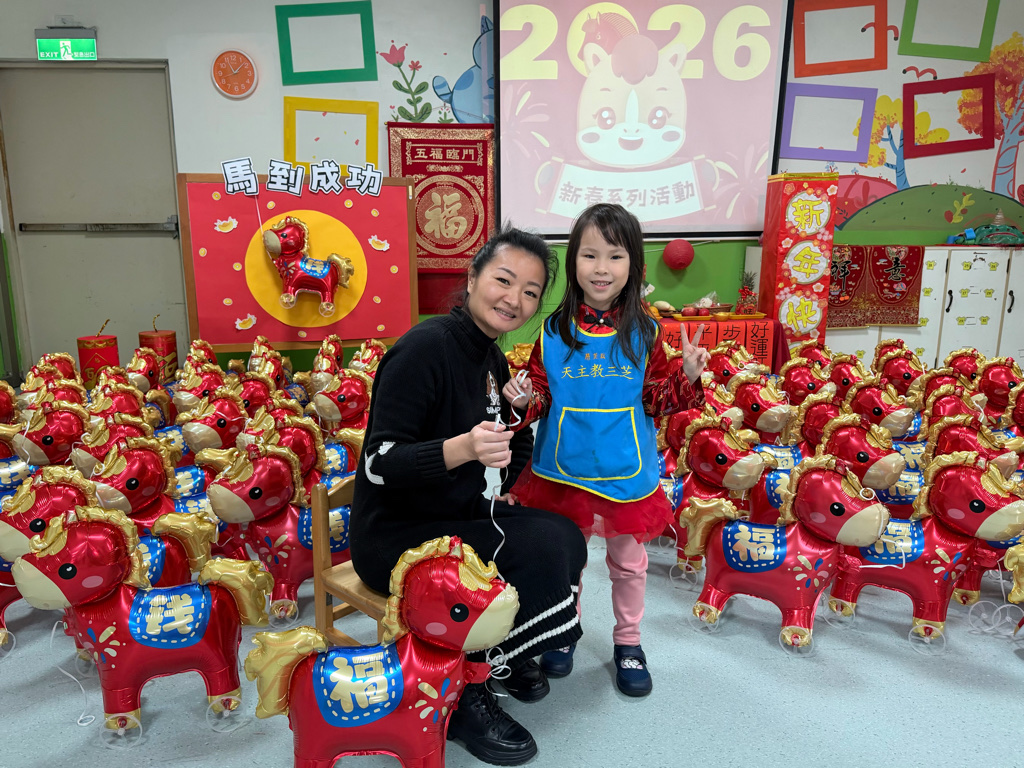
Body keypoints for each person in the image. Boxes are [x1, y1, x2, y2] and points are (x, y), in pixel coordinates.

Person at [350, 225, 588, 766]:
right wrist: (461, 448)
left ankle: (500, 653)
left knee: (562, 535)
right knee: (538, 550)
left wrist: (516, 421)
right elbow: (380, 463)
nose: (514, 299)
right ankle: (462, 696)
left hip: (452, 513)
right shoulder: (423, 348)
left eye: (530, 291)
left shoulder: (491, 360)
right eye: (504, 280)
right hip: (395, 534)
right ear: (473, 277)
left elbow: (502, 456)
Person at [503, 203, 708, 697]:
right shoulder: (553, 329)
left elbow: (655, 400)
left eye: (614, 256)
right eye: (589, 255)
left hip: (624, 469)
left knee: (630, 564)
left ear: (633, 265)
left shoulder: (647, 331)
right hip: (563, 470)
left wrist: (687, 377)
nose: (601, 268)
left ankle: (629, 642)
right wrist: (524, 401)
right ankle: (563, 632)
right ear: (573, 260)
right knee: (566, 561)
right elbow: (541, 392)